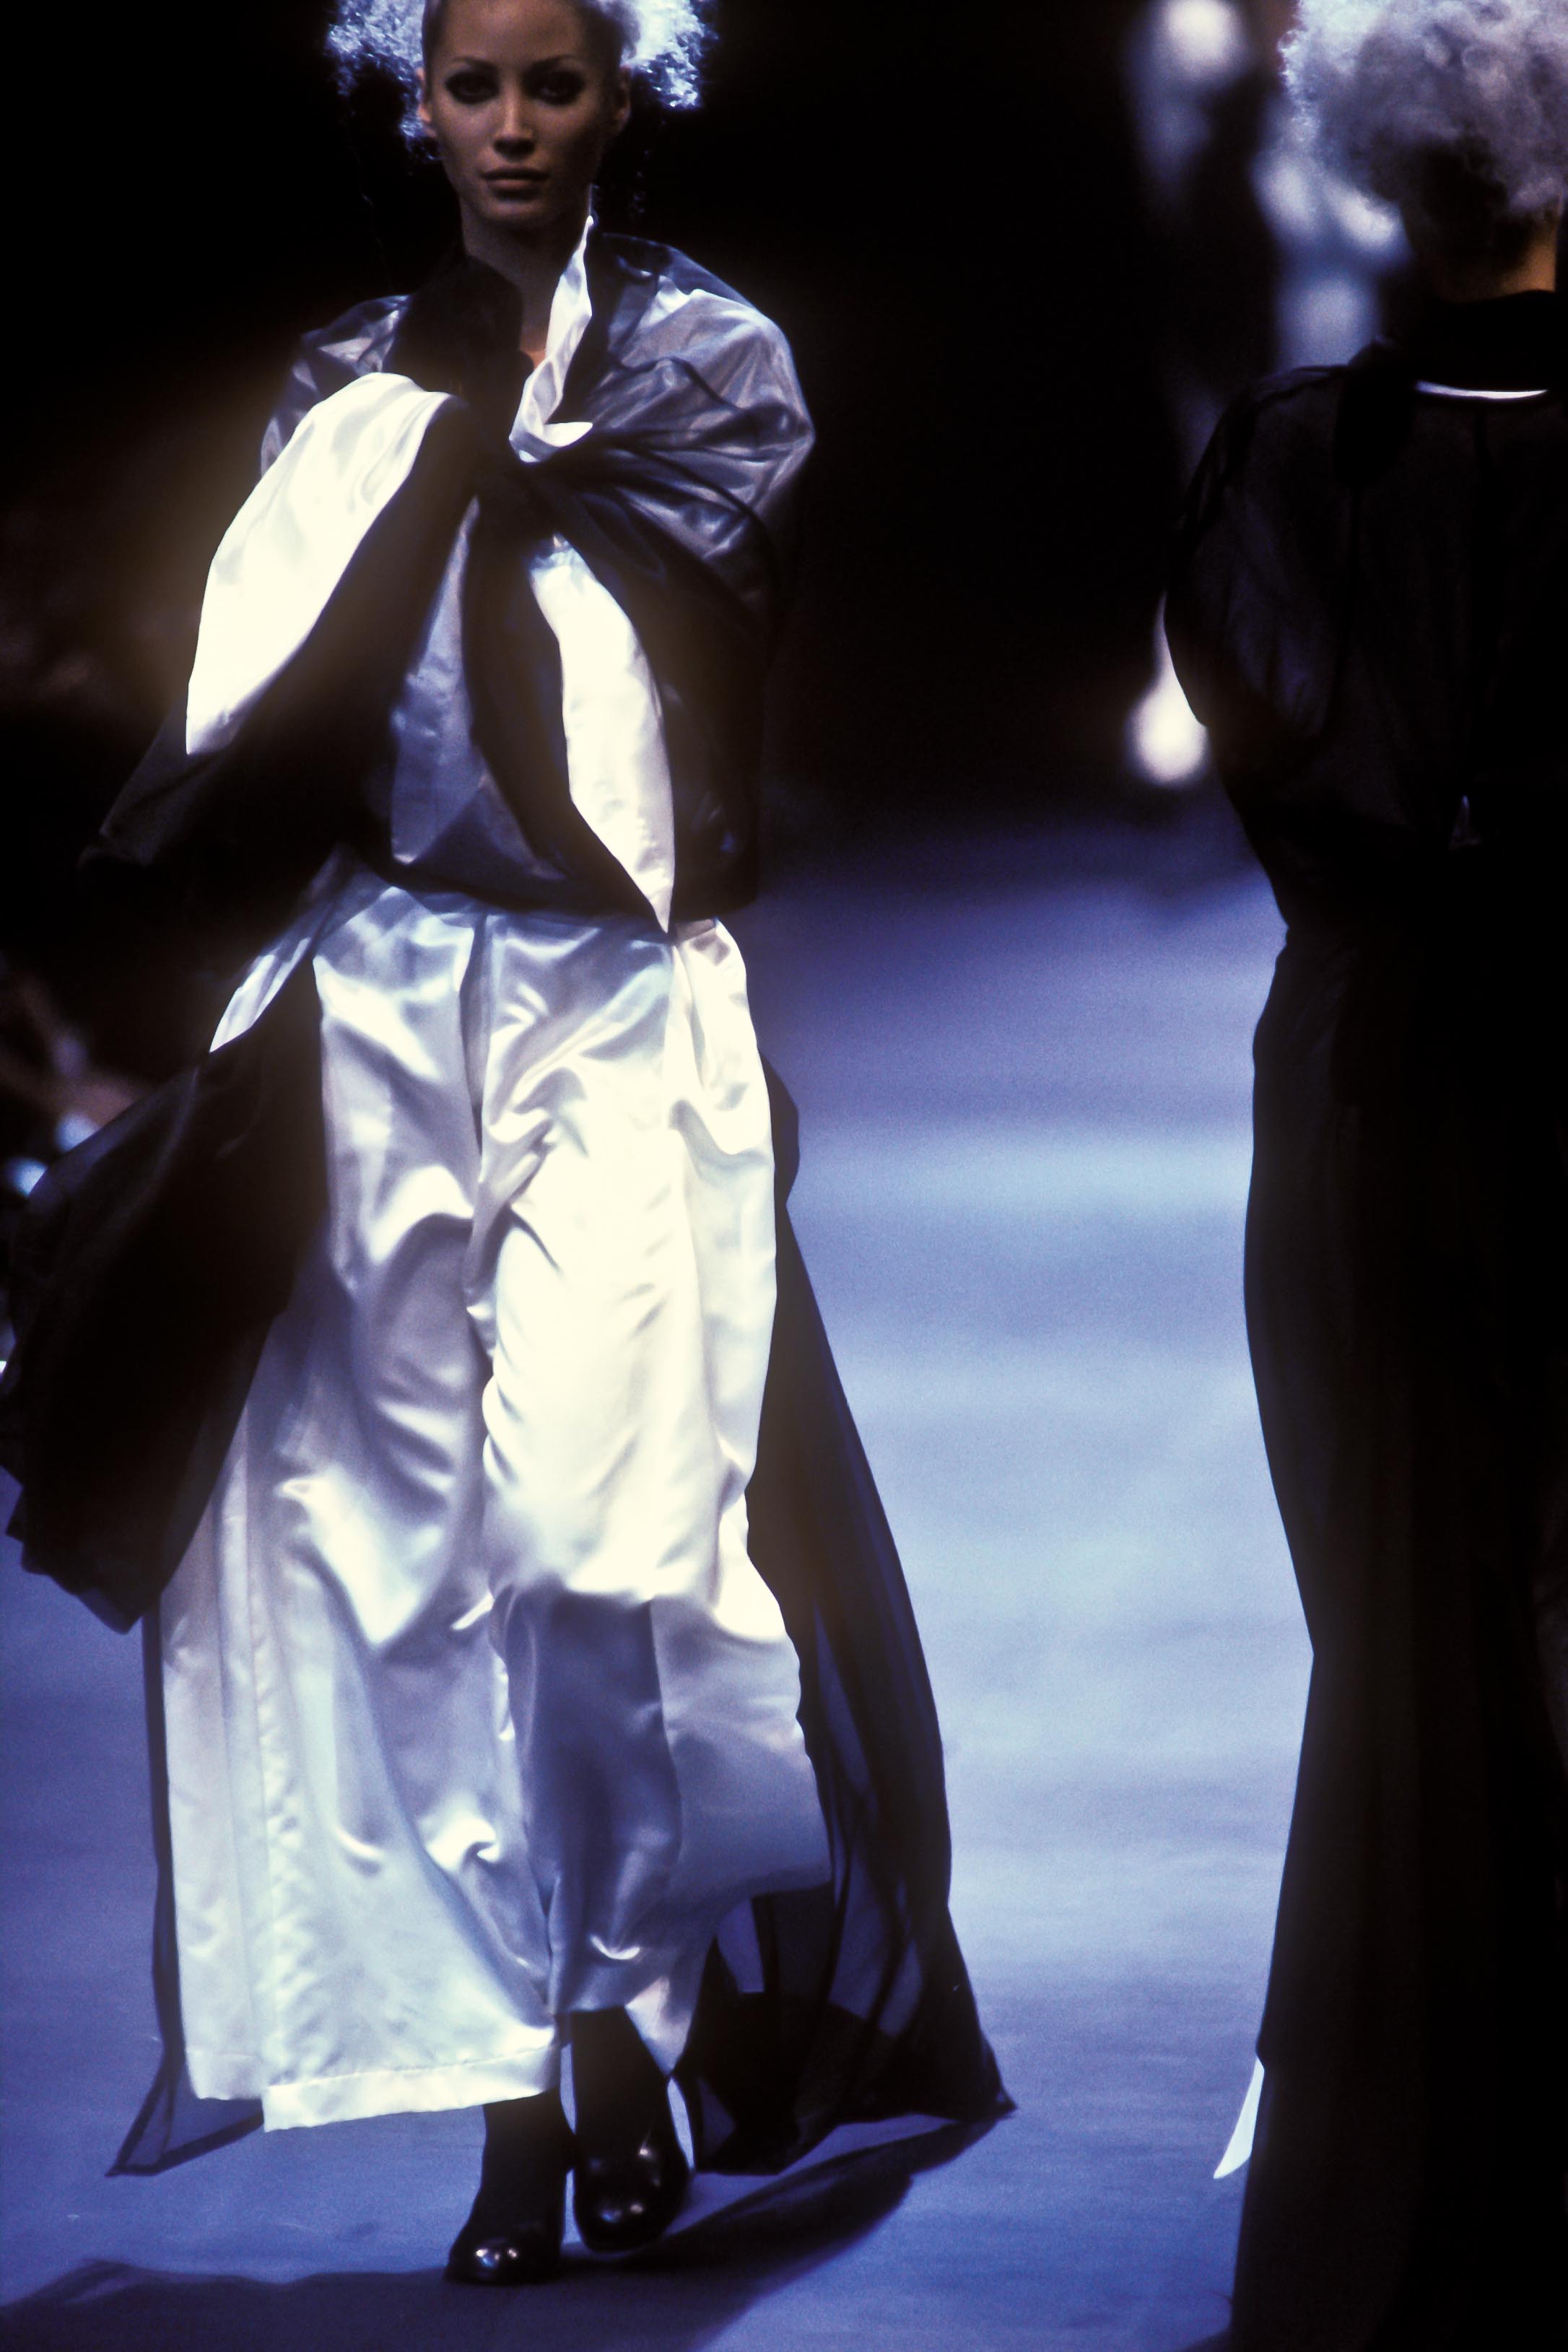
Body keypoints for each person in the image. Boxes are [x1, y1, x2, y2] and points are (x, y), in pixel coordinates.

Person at [0, 0, 1006, 2288]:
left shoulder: (713, 371)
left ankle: (623, 2012)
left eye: (555, 82)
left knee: (595, 1546)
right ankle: (514, 2102)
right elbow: (267, 708)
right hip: (377, 1003)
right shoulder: (341, 383)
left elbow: (672, 669)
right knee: (396, 1567)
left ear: (627, 92)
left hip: (617, 1008)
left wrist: (470, 453)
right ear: (416, 101)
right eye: (475, 84)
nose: (515, 125)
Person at [1167, 1, 1568, 2341]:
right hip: (1507, 1071)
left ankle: (1413, 2165)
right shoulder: (1305, 450)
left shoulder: (1287, 456)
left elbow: (1272, 755)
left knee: (1402, 1613)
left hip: (1366, 1086)